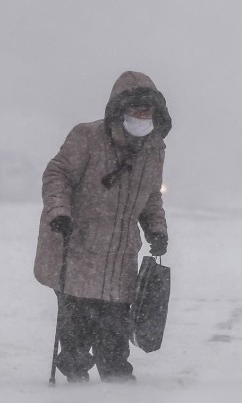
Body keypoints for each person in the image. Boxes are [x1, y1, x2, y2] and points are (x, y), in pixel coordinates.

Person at [34, 71, 171, 384]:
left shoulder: (154, 150)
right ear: (119, 110)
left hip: (121, 252)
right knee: (77, 317)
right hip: (79, 245)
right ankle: (75, 369)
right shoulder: (86, 137)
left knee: (114, 321)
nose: (141, 117)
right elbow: (57, 175)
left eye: (147, 112)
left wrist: (156, 229)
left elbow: (150, 197)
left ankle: (116, 377)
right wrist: (60, 211)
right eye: (135, 111)